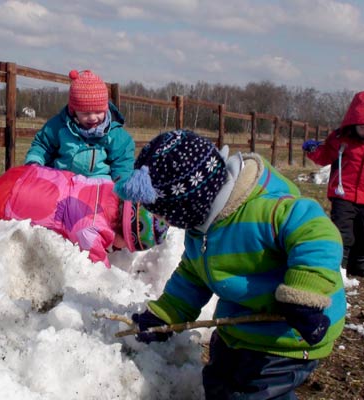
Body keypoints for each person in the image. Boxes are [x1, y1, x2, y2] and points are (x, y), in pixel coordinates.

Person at [120, 130, 346, 399]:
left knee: (255, 394)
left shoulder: (263, 209)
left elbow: (319, 234)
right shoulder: (201, 226)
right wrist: (164, 316)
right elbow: (192, 277)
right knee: (218, 384)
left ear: (187, 201)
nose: (160, 219)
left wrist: (304, 295)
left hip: (287, 334)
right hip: (239, 327)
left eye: (161, 212)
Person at [0, 164, 168, 268]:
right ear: (123, 231)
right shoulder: (91, 228)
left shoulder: (106, 189)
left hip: (28, 176)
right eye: (127, 246)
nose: (122, 250)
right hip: (11, 202)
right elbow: (97, 268)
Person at [303, 90, 364, 280]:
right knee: (341, 230)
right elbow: (325, 155)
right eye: (362, 127)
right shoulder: (341, 139)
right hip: (343, 194)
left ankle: (361, 263)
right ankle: (339, 265)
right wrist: (313, 150)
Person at [24, 69, 135, 193]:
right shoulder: (59, 127)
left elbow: (123, 162)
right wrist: (34, 163)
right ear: (73, 111)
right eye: (86, 113)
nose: (93, 117)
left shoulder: (114, 134)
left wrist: (122, 186)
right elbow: (42, 145)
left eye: (98, 112)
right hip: (62, 183)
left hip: (97, 187)